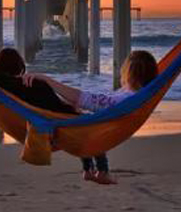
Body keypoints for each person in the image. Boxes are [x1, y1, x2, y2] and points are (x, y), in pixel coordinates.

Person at [24, 50, 159, 185]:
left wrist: (47, 80)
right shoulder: (135, 95)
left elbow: (84, 99)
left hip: (97, 128)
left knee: (83, 124)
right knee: (79, 118)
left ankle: (100, 171)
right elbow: (88, 101)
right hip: (99, 125)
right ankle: (92, 170)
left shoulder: (127, 99)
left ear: (128, 73)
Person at [0, 41, 77, 115]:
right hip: (68, 116)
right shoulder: (30, 83)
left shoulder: (2, 83)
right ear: (19, 66)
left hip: (55, 120)